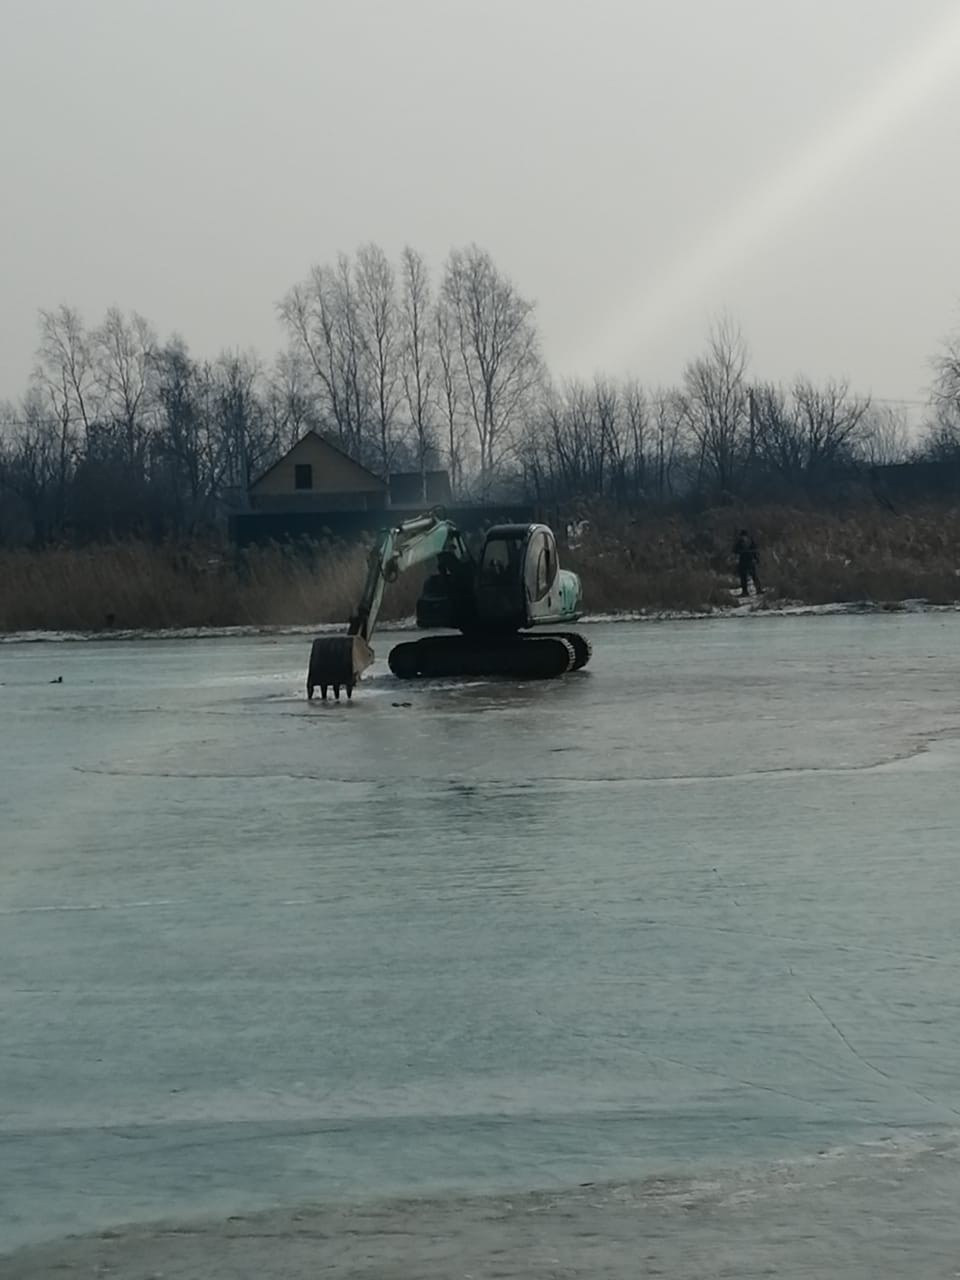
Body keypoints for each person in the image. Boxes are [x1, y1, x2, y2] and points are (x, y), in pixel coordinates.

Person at [733, 529, 761, 596]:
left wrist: (756, 559)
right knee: (743, 577)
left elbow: (755, 550)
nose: (743, 537)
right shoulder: (739, 542)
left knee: (754, 576)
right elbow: (734, 550)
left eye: (743, 536)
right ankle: (745, 592)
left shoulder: (750, 541)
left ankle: (758, 589)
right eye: (742, 536)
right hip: (743, 561)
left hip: (749, 560)